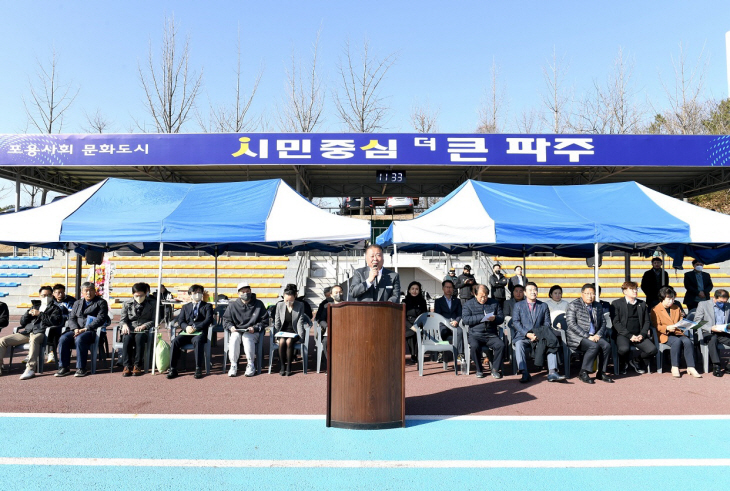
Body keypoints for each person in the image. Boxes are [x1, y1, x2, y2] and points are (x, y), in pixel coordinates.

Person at [0, 286, 61, 380]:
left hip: (42, 333)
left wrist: (40, 314)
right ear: (39, 296)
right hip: (27, 332)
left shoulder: (56, 309)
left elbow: (54, 322)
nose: (46, 297)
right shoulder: (35, 306)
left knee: (34, 339)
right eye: (44, 295)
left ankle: (30, 368)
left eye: (49, 295)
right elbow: (22, 322)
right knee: (3, 341)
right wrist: (27, 314)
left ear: (52, 296)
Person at [511, 282, 564, 383]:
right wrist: (527, 334)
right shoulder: (518, 305)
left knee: (551, 343)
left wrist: (537, 334)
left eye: (535, 290)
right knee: (519, 344)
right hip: (524, 336)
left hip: (540, 336)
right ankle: (524, 372)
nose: (533, 292)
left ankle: (552, 372)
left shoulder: (543, 305)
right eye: (530, 290)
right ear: (525, 293)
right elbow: (516, 323)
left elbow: (547, 323)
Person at [56, 282, 109, 378]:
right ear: (82, 292)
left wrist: (85, 329)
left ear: (95, 291)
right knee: (63, 338)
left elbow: (101, 319)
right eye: (86, 291)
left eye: (91, 290)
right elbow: (71, 318)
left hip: (92, 331)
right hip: (76, 329)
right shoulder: (77, 303)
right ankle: (63, 367)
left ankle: (81, 367)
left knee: (80, 339)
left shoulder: (101, 302)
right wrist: (75, 328)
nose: (89, 293)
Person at [565, 284, 613, 384]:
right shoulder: (573, 305)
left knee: (607, 346)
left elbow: (603, 322)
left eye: (592, 294)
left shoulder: (597, 305)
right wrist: (587, 336)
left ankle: (601, 372)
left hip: (594, 335)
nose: (590, 296)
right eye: (587, 293)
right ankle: (583, 372)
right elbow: (571, 324)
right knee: (593, 346)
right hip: (577, 337)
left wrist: (598, 335)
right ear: (582, 294)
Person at [651, 286, 701, 379]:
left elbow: (680, 320)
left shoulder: (676, 308)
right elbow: (655, 325)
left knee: (688, 342)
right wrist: (667, 328)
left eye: (673, 299)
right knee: (676, 342)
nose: (671, 301)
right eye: (669, 299)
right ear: (662, 298)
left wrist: (685, 325)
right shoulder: (655, 309)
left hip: (677, 332)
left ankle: (691, 367)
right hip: (663, 334)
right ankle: (675, 366)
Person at [167, 284, 213, 380]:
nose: (197, 294)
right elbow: (181, 320)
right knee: (175, 341)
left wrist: (196, 327)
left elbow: (208, 320)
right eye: (195, 292)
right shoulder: (185, 307)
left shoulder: (207, 306)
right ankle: (173, 368)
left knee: (198, 341)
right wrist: (186, 327)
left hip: (199, 332)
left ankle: (198, 368)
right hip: (186, 332)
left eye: (199, 292)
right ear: (190, 294)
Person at [611, 281, 657, 375]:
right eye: (632, 289)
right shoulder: (616, 303)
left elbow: (647, 321)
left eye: (636, 289)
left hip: (639, 334)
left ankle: (636, 360)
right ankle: (623, 363)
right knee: (623, 349)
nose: (635, 291)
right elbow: (616, 323)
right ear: (625, 291)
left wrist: (642, 334)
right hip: (623, 334)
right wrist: (629, 335)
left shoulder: (642, 304)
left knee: (652, 350)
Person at [223, 282, 267, 377]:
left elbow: (264, 320)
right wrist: (231, 327)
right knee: (234, 337)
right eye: (243, 292)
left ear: (251, 291)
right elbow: (226, 320)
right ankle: (233, 365)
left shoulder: (259, 304)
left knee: (247, 337)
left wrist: (255, 328)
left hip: (252, 332)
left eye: (247, 291)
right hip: (237, 331)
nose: (245, 294)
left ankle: (250, 364)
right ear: (238, 294)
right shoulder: (232, 305)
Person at [462, 284, 504, 379]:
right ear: (475, 294)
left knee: (500, 345)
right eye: (481, 296)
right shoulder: (468, 304)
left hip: (491, 334)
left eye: (485, 296)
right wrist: (482, 318)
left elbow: (501, 318)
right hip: (475, 334)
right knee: (474, 346)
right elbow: (466, 320)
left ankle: (495, 369)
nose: (483, 298)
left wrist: (495, 318)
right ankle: (479, 369)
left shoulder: (494, 303)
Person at [119, 282, 156, 377]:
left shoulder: (152, 304)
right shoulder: (127, 304)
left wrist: (144, 326)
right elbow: (122, 320)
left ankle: (138, 365)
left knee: (139, 338)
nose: (139, 297)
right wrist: (124, 325)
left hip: (144, 329)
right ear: (133, 295)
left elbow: (155, 320)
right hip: (130, 328)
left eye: (141, 295)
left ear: (146, 293)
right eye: (136, 295)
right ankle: (126, 365)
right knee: (127, 338)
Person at [274, 284, 311, 376]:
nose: (289, 302)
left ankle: (289, 367)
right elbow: (277, 322)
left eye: (291, 300)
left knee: (289, 341)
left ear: (295, 297)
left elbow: (300, 322)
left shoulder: (300, 305)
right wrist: (276, 335)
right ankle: (282, 366)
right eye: (286, 300)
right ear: (283, 297)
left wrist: (301, 337)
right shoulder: (280, 305)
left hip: (294, 331)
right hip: (283, 331)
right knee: (282, 341)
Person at [692, 289, 730, 377]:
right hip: (709, 331)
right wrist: (710, 328)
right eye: (721, 302)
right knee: (712, 340)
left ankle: (728, 366)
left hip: (723, 332)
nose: (723, 304)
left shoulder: (728, 306)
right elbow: (697, 322)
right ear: (714, 298)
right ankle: (716, 365)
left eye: (725, 302)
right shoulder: (703, 304)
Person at [433, 279, 464, 362]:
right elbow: (437, 314)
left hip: (454, 323)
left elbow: (460, 314)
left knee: (459, 332)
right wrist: (446, 322)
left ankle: (459, 354)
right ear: (443, 288)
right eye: (447, 287)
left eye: (450, 287)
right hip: (443, 324)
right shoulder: (438, 301)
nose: (449, 289)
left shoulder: (457, 301)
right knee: (441, 332)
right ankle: (441, 352)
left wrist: (456, 321)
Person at [315, 285, 344, 371]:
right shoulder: (326, 306)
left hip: (344, 331)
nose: (338, 294)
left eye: (340, 292)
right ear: (331, 295)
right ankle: (329, 366)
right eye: (336, 293)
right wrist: (328, 326)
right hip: (330, 330)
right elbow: (321, 319)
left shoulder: (348, 305)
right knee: (325, 342)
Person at [46, 284, 75, 364]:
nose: (60, 294)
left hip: (65, 324)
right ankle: (35, 353)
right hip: (52, 322)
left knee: (55, 330)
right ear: (53, 294)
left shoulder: (70, 301)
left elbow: (72, 314)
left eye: (62, 292)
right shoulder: (50, 301)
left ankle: (52, 352)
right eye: (58, 292)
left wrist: (60, 317)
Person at [404, 281, 428, 364]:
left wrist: (420, 325)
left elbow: (425, 314)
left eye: (417, 289)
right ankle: (413, 354)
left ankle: (419, 354)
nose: (414, 291)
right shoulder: (405, 301)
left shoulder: (422, 301)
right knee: (411, 333)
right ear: (409, 290)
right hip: (408, 324)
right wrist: (411, 326)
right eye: (412, 289)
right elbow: (403, 317)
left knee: (420, 333)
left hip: (419, 323)